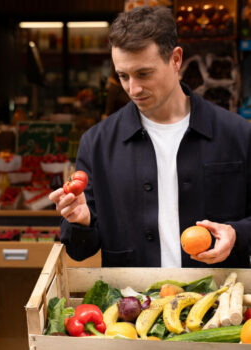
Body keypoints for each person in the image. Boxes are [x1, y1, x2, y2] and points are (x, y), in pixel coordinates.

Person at [49, 6, 251, 268]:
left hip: (220, 303)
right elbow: (78, 251)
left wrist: (237, 234)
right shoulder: (96, 144)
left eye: (144, 73)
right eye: (123, 76)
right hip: (134, 305)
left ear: (176, 59)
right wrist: (81, 221)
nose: (133, 89)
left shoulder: (237, 134)